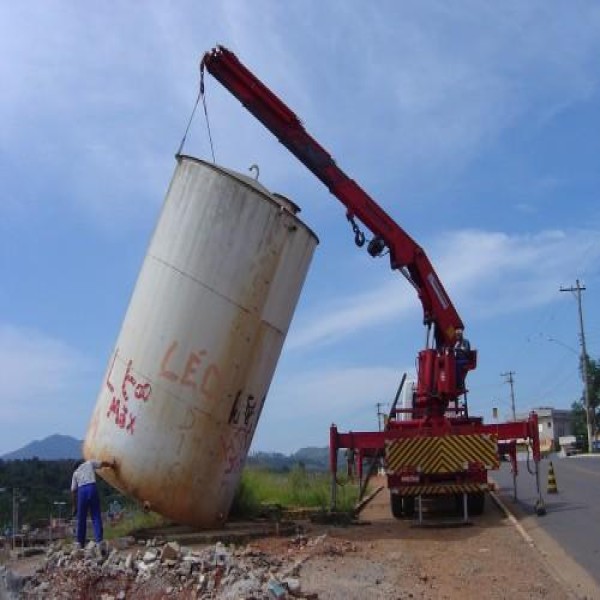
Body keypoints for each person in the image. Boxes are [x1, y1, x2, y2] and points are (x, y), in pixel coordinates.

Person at [71, 458, 117, 547]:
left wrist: (74, 506)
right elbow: (103, 463)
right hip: (92, 488)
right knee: (96, 515)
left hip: (81, 491)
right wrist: (112, 465)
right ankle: (99, 540)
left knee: (81, 518)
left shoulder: (75, 473)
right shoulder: (89, 463)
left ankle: (80, 543)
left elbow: (73, 491)